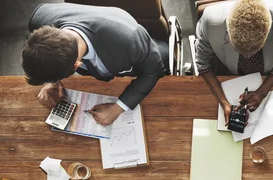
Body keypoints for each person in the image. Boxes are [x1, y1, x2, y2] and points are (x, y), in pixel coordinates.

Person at [23, 2, 168, 126]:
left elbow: (153, 71)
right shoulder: (40, 17)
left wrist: (117, 108)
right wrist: (51, 81)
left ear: (76, 65)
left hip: (146, 57)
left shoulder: (130, 40)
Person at [195, 0, 273, 124]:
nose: (248, 56)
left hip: (269, 75)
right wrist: (223, 102)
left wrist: (263, 91)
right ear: (228, 31)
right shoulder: (210, 21)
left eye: (255, 51)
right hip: (226, 72)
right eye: (238, 50)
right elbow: (203, 62)